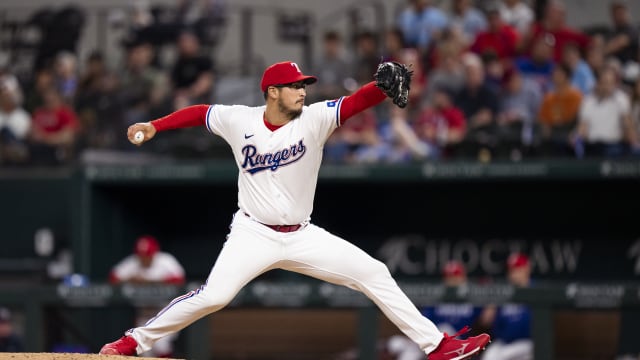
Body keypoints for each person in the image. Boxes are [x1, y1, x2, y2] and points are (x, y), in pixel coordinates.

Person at [99, 60, 491, 359]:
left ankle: (438, 346)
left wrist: (379, 87)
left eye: (304, 86)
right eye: (295, 86)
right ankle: (133, 341)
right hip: (252, 233)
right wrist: (155, 125)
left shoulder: (316, 119)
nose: (303, 92)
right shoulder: (241, 119)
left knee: (374, 271)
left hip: (302, 235)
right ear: (272, 92)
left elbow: (355, 103)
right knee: (214, 296)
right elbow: (200, 112)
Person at [109, 235, 186, 358]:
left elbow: (179, 279)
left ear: (154, 253)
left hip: (165, 311)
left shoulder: (165, 260)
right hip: (144, 313)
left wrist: (151, 282)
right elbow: (114, 277)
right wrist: (130, 280)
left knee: (161, 345)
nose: (144, 258)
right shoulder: (133, 262)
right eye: (141, 255)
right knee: (145, 351)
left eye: (147, 255)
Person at [479, 253, 533, 360]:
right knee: (489, 356)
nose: (514, 274)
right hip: (503, 344)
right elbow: (485, 321)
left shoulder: (535, 290)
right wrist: (493, 302)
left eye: (518, 269)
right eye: (511, 270)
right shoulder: (503, 293)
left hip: (526, 344)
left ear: (527, 269)